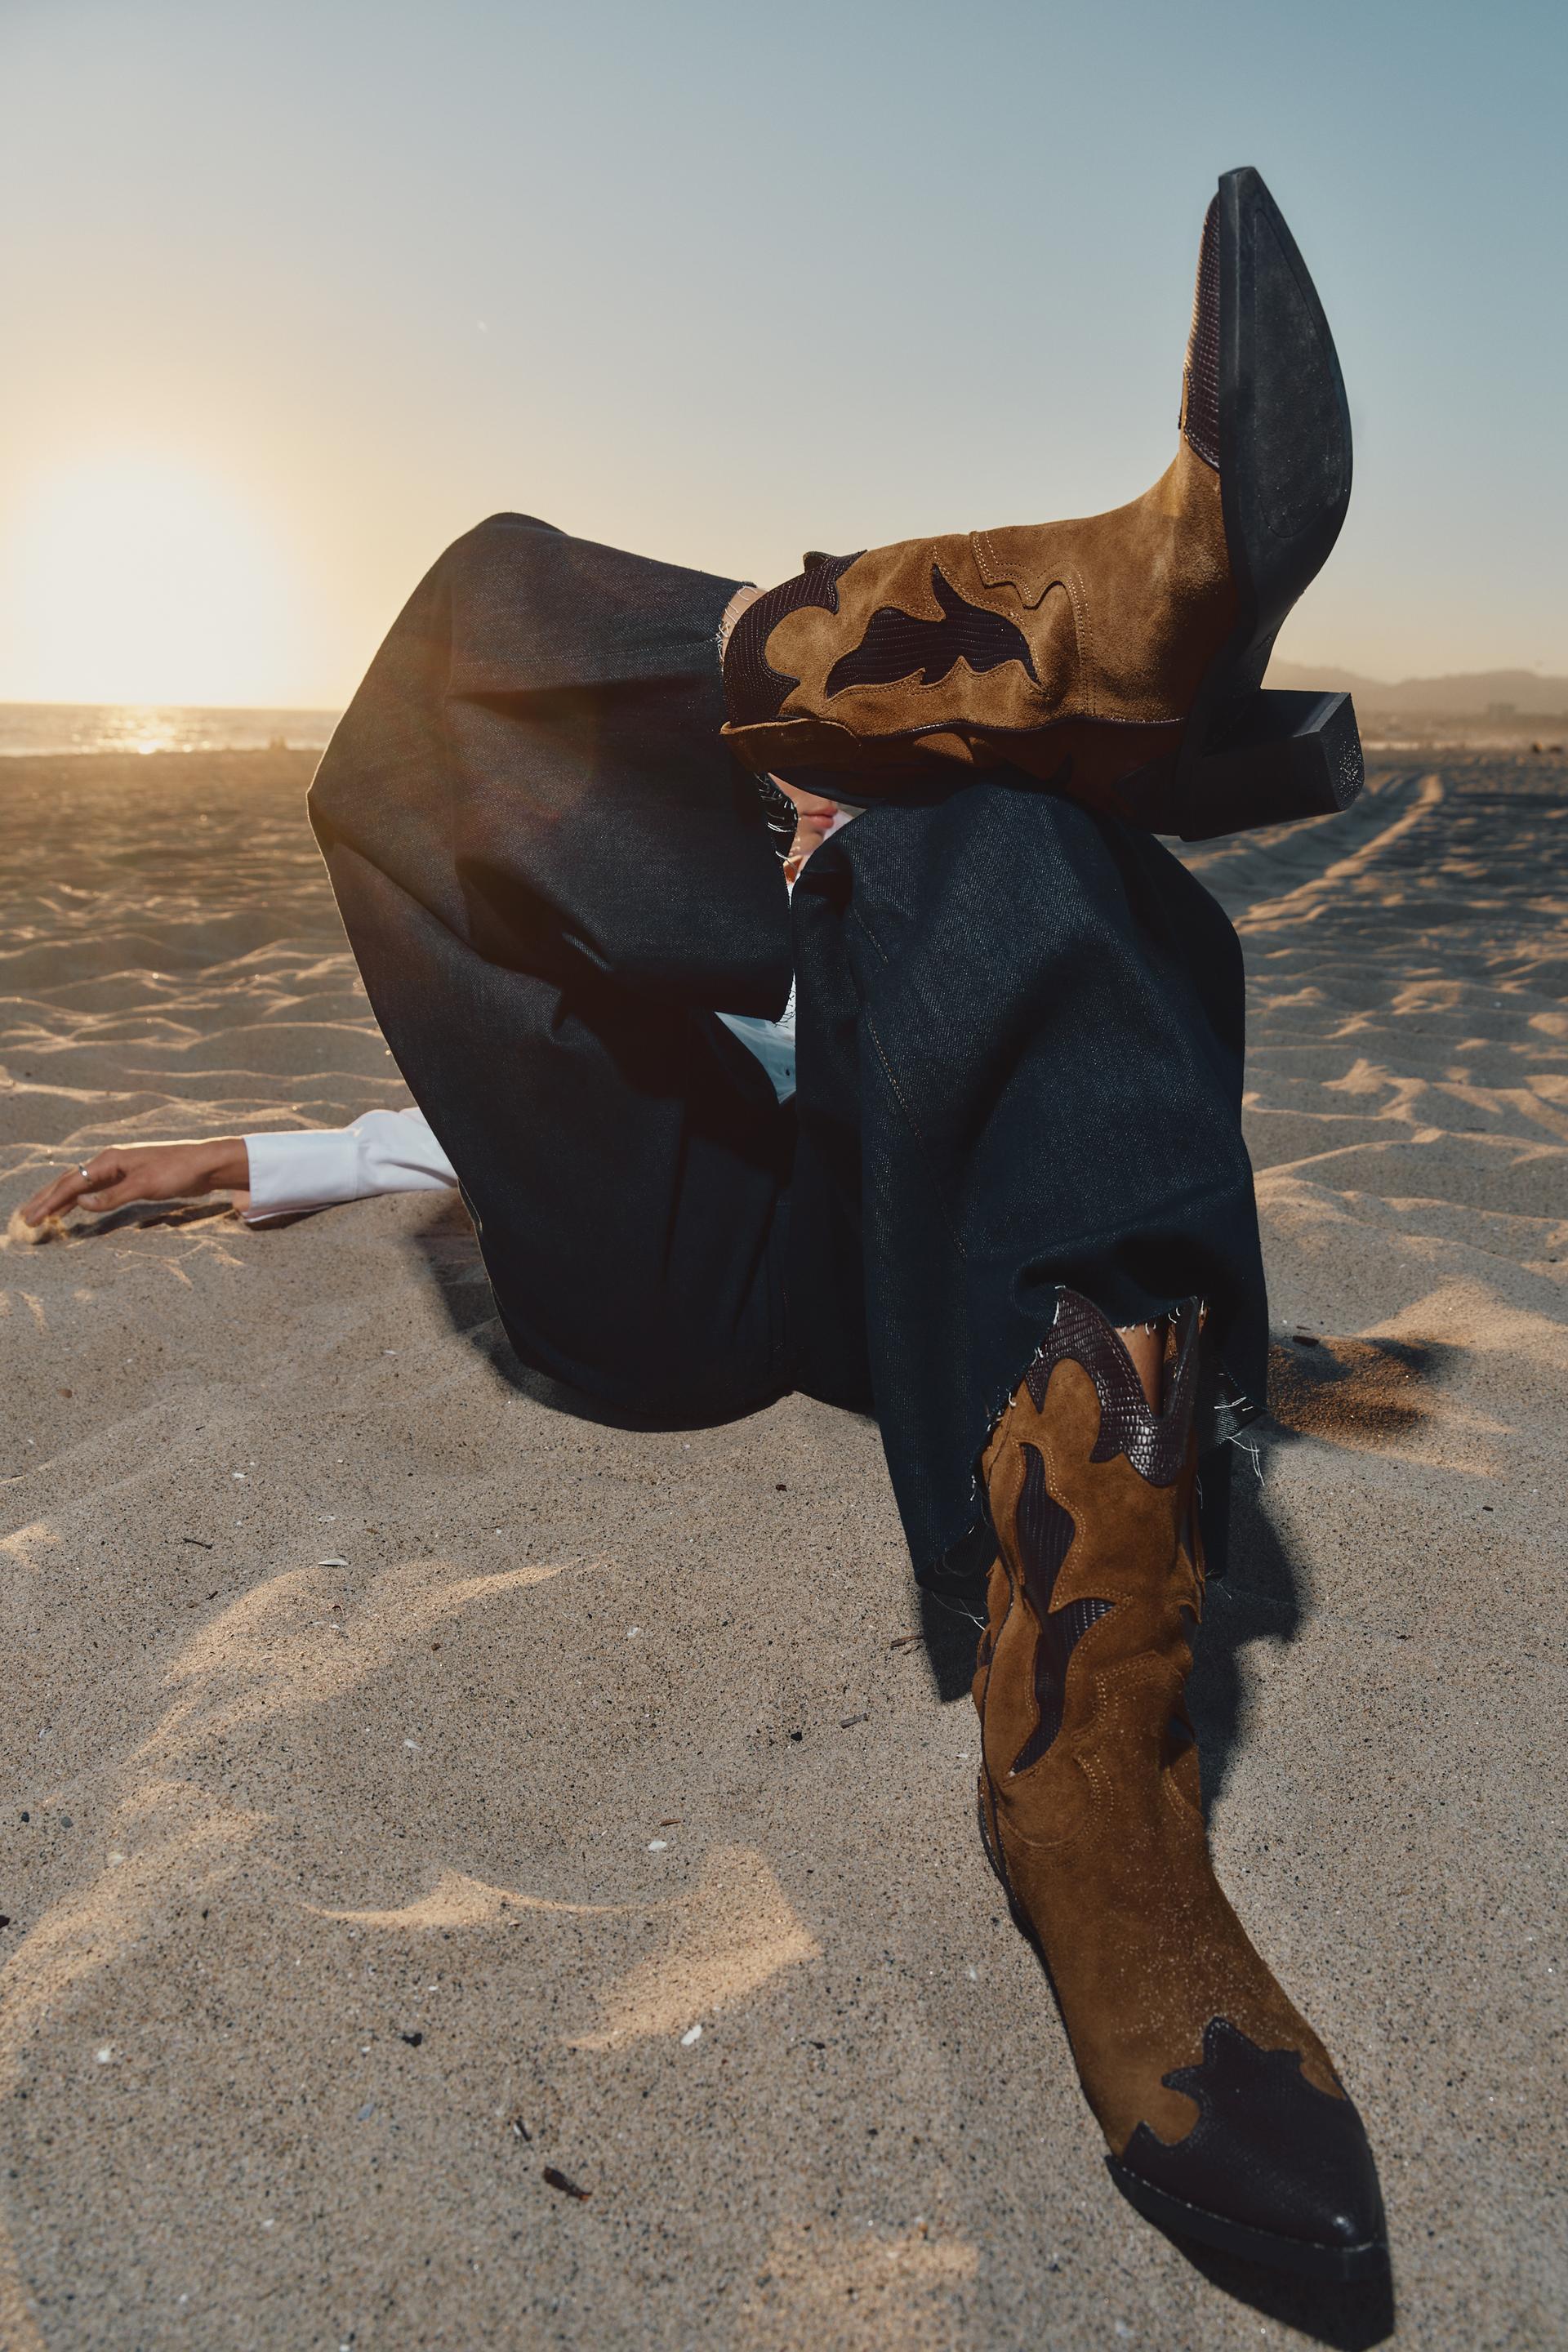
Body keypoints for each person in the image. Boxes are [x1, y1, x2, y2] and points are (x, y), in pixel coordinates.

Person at [23, 167, 1386, 2282]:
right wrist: (284, 1157)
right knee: (474, 619)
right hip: (671, 1243)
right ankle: (1081, 657)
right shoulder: (693, 840)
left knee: (1011, 849)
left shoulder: (895, 863)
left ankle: (1088, 1772)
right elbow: (521, 988)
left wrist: (881, 838)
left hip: (911, 1214)